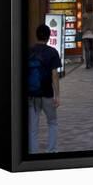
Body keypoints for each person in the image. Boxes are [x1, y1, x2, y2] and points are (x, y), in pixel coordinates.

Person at [28, 24, 62, 154]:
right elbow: (54, 75)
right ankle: (51, 150)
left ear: (36, 35)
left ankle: (33, 152)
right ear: (49, 37)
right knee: (52, 122)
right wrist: (57, 95)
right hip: (47, 94)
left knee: (33, 128)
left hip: (32, 95)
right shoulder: (52, 52)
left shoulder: (29, 51)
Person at [82, 3, 93, 69]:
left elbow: (82, 25)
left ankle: (87, 64)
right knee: (92, 49)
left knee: (87, 50)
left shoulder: (84, 15)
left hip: (85, 34)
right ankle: (92, 63)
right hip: (92, 34)